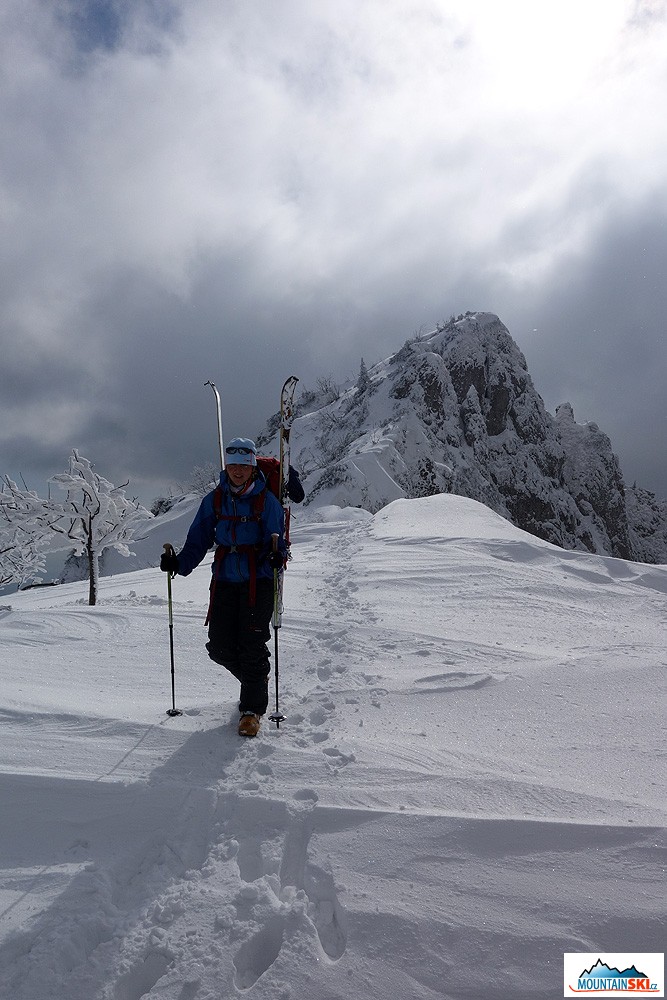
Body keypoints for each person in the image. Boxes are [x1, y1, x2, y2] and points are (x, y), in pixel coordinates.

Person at [160, 437, 286, 737]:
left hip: (259, 582)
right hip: (224, 581)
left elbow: (277, 538)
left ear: (252, 465)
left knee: (252, 646)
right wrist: (179, 564)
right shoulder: (214, 500)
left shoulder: (266, 501)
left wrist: (276, 554)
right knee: (218, 647)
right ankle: (256, 681)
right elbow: (198, 539)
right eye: (232, 465)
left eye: (244, 465)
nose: (238, 471)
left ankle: (251, 711)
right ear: (226, 467)